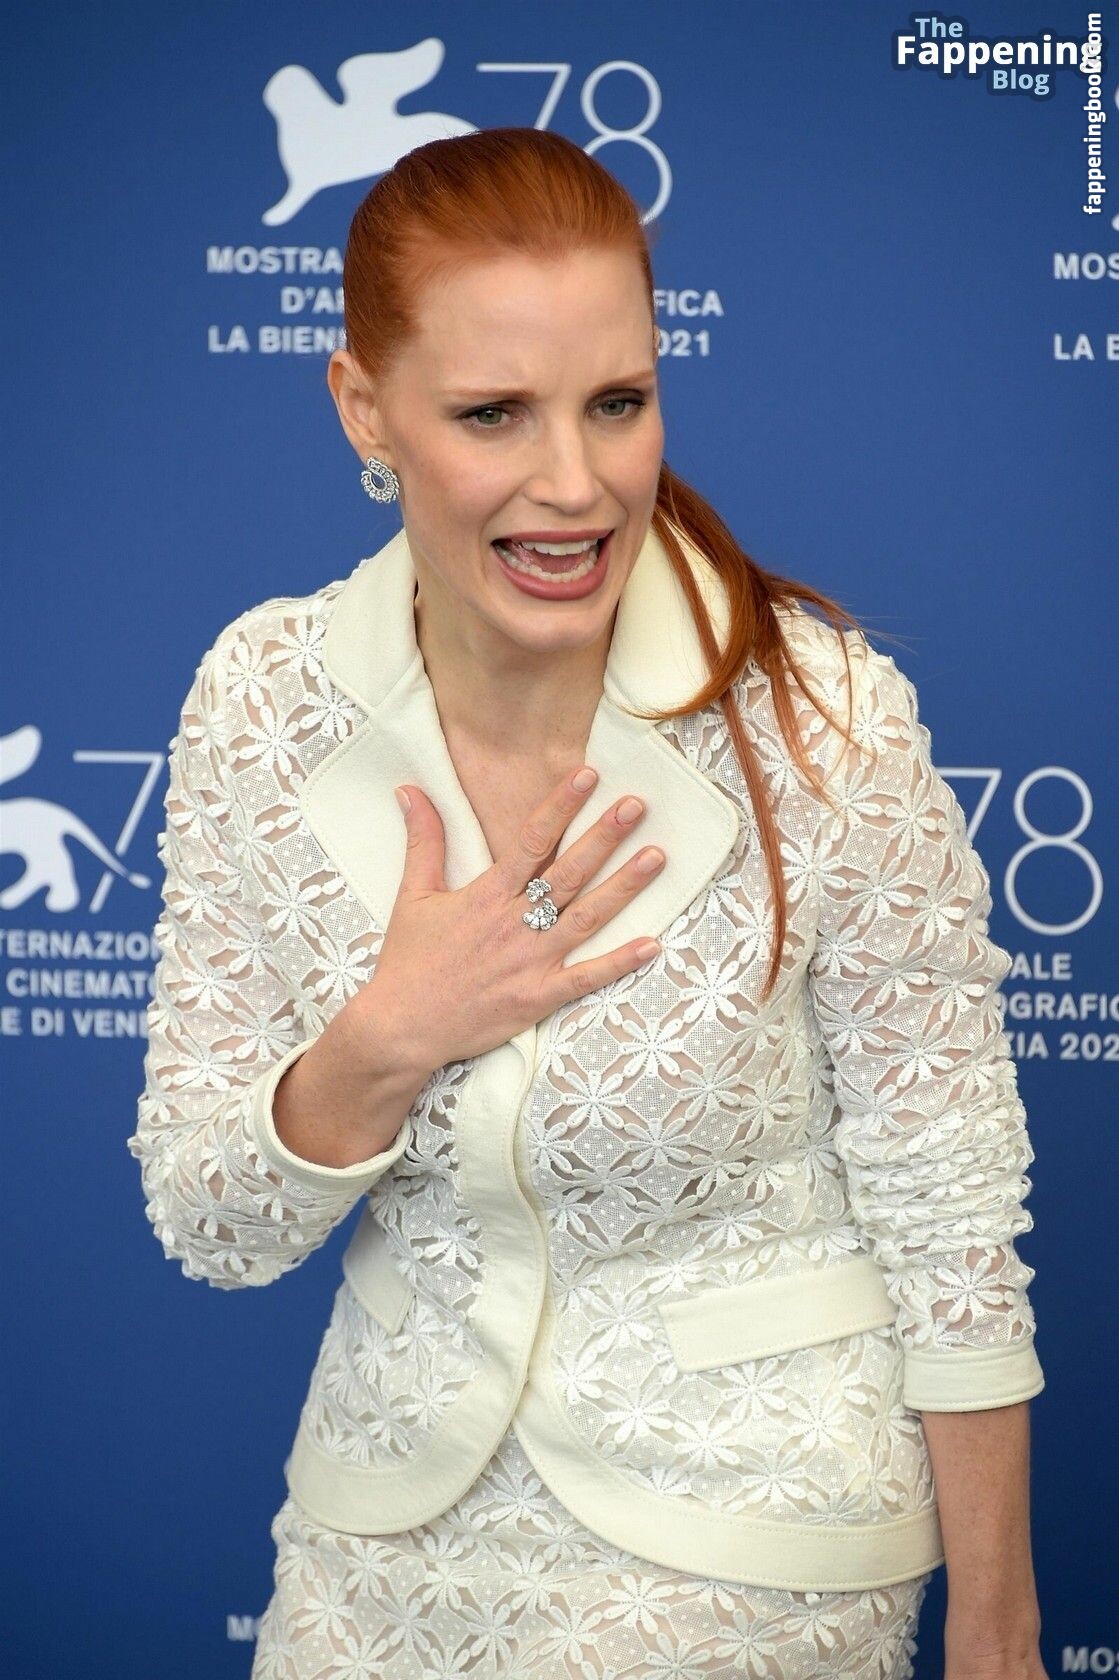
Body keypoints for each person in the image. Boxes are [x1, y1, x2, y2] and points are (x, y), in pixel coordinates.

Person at [127, 129, 1047, 1679]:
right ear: (364, 407)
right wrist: (387, 1037)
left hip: (761, 1546)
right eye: (494, 413)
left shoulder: (821, 719)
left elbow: (948, 1203)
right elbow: (211, 1223)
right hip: (377, 1554)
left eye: (617, 403)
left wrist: (1001, 1632)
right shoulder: (260, 700)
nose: (576, 484)